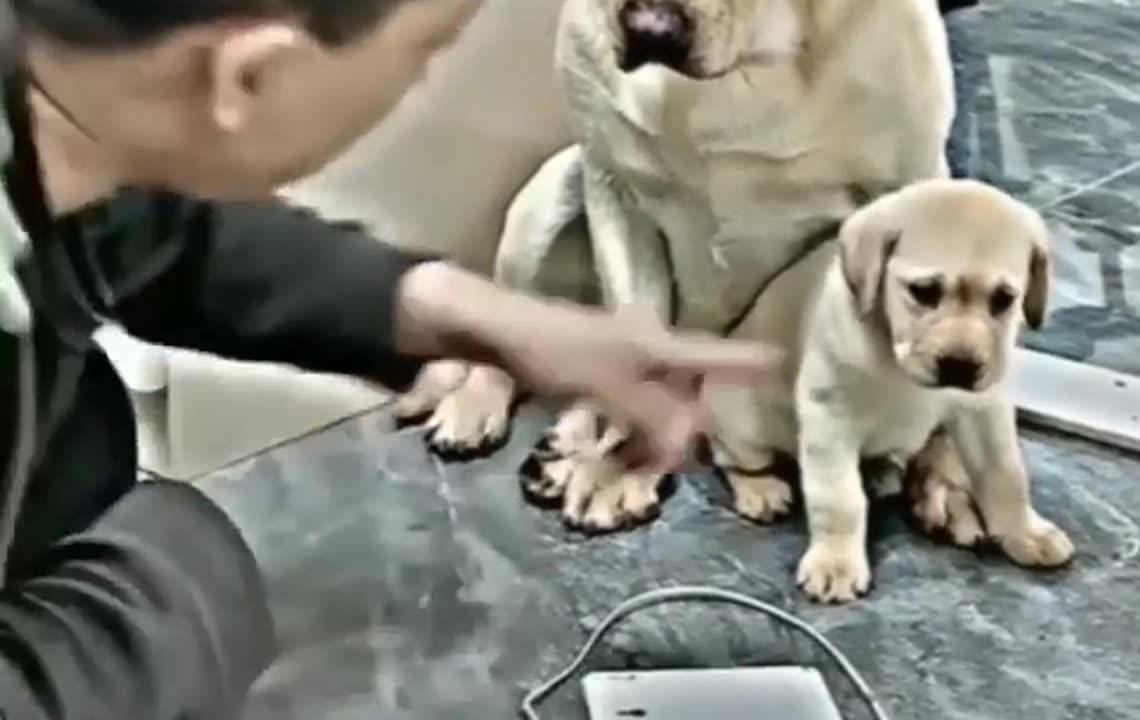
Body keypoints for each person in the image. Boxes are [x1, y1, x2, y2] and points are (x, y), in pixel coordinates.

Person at [0, 1, 781, 717]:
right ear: (252, 76)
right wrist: (180, 590)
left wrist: (471, 317)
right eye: (426, 54)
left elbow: (133, 223)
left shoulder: (49, 110)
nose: (419, 79)